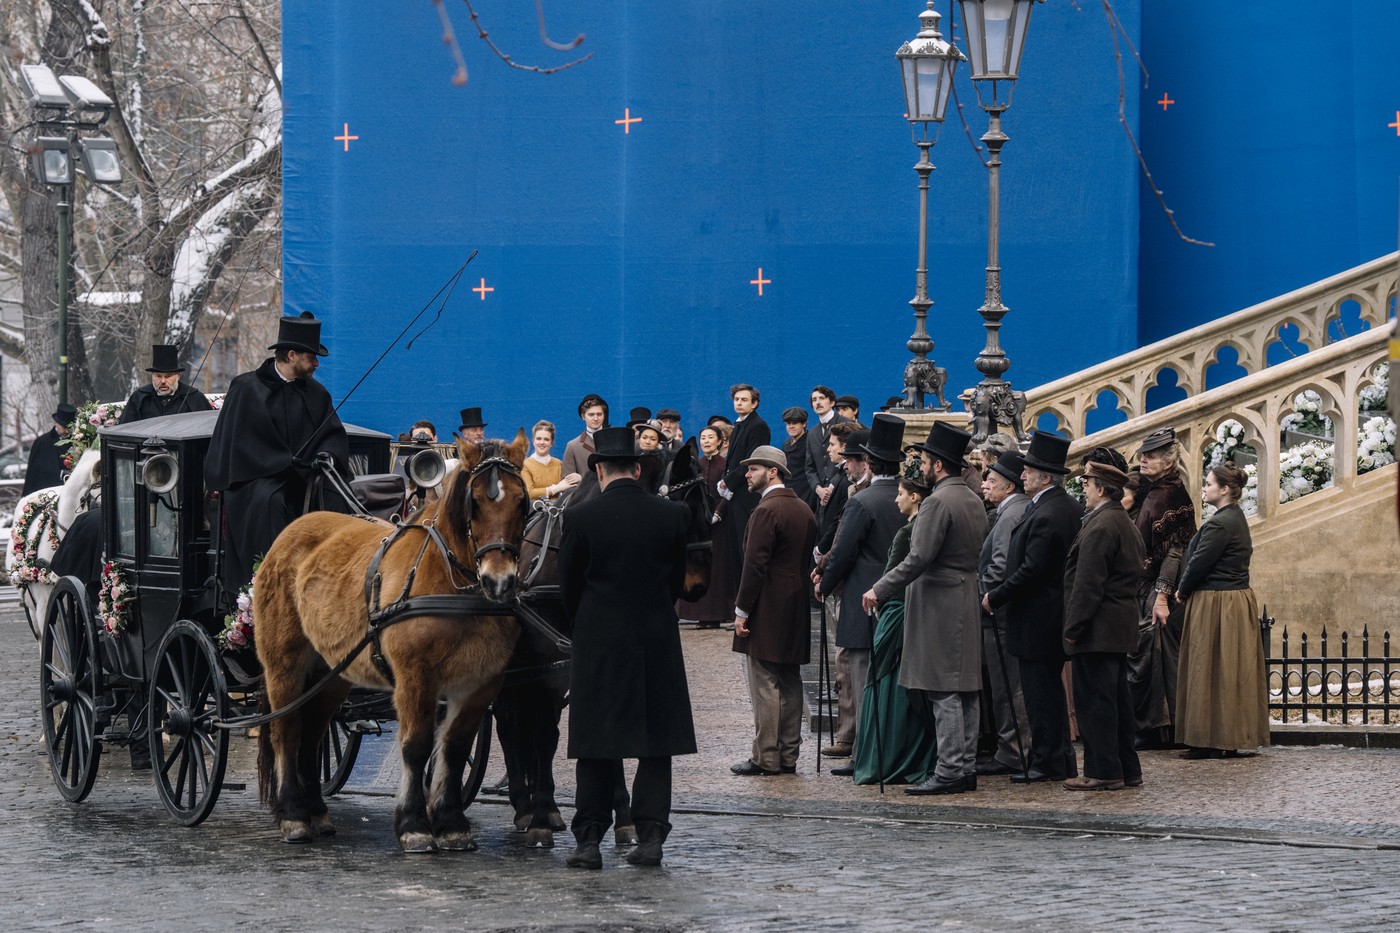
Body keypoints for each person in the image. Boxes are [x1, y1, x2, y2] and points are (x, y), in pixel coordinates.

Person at [560, 427, 696, 868]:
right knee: (656, 746)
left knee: (597, 745)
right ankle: (652, 838)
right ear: (638, 469)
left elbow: (568, 589)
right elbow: (677, 582)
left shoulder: (580, 519)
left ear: (598, 471)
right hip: (656, 639)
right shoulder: (672, 514)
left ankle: (589, 843)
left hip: (599, 642)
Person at [863, 422, 987, 796]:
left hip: (938, 601)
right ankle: (964, 766)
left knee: (942, 688)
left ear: (937, 465)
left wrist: (879, 588)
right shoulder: (972, 498)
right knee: (965, 687)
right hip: (964, 595)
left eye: (927, 460)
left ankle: (949, 769)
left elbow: (919, 557)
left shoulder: (937, 501)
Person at [205, 313, 349, 592]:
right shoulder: (246, 388)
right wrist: (282, 462)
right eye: (312, 357)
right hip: (256, 479)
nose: (317, 364)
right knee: (270, 500)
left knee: (339, 496)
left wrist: (326, 455)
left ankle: (337, 578)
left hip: (306, 477)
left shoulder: (318, 394)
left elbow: (332, 434)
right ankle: (272, 582)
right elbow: (239, 447)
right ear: (292, 355)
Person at [983, 431, 1083, 783]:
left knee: (1041, 695)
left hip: (1039, 617)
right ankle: (1056, 758)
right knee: (1047, 693)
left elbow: (1033, 569)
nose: (1021, 475)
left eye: (1028, 471)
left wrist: (996, 595)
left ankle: (1048, 761)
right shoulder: (1061, 505)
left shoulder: (1049, 511)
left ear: (1045, 477)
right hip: (1044, 615)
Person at [816, 414, 905, 774]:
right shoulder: (909, 496)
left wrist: (823, 584)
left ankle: (865, 756)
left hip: (863, 601)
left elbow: (843, 552)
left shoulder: (863, 502)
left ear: (868, 462)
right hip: (898, 597)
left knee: (862, 679)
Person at [1062, 450, 1146, 791]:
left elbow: (1088, 585)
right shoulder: (1121, 521)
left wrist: (1072, 629)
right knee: (1117, 703)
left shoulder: (1101, 525)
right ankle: (1127, 769)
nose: (1084, 488)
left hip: (1097, 630)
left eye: (1088, 483)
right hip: (1117, 627)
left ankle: (1103, 772)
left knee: (1097, 703)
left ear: (1101, 488)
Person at [731, 445, 817, 777]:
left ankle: (766, 757)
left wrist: (741, 610)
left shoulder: (766, 511)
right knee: (791, 680)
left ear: (772, 471)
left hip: (768, 604)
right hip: (796, 603)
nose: (747, 474)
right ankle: (788, 755)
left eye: (753, 469)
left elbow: (754, 566)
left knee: (765, 681)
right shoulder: (803, 509)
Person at [852, 462, 939, 785]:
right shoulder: (920, 527)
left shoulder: (908, 532)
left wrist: (879, 596)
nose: (896, 499)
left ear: (915, 497)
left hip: (898, 611)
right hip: (909, 610)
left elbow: (896, 572)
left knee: (887, 683)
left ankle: (887, 757)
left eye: (901, 494)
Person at [1174, 462, 1268, 759]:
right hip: (1231, 600)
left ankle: (1209, 739)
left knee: (1209, 669)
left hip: (1217, 602)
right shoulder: (1234, 517)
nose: (1204, 488)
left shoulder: (1220, 523)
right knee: (1229, 671)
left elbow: (1198, 563)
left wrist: (1181, 590)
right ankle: (1225, 736)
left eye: (1209, 484)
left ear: (1225, 489)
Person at [1130, 427, 1197, 749]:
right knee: (1151, 658)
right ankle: (1156, 728)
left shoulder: (1170, 495)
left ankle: (1156, 729)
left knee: (1152, 660)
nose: (1143, 460)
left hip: (1156, 591)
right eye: (1143, 454)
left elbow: (1175, 551)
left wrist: (1161, 596)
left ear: (1168, 462)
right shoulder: (1157, 490)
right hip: (1147, 586)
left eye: (1151, 456)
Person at [976, 450, 1033, 777]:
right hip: (1006, 612)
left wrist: (984, 596)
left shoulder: (1010, 514)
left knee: (1007, 687)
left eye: (992, 481)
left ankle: (1013, 751)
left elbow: (999, 566)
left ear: (1009, 487)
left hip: (999, 614)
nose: (985, 486)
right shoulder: (1012, 510)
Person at [677, 425, 735, 630]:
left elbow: (730, 493)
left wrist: (718, 512)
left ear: (720, 441)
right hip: (699, 524)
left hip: (721, 523)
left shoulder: (726, 464)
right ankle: (699, 614)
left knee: (719, 568)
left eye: (711, 437)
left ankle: (718, 613)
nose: (706, 441)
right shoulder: (697, 465)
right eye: (703, 438)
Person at [718, 384, 771, 576]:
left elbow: (752, 460)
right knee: (736, 550)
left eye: (744, 400)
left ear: (754, 404)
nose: (739, 403)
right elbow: (733, 460)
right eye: (736, 400)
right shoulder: (739, 425)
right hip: (736, 494)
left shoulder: (758, 426)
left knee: (746, 547)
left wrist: (727, 481)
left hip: (748, 495)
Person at [117, 344, 213, 424]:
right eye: (158, 376)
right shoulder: (139, 397)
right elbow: (124, 432)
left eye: (168, 376)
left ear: (178, 376)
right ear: (152, 376)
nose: (163, 381)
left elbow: (208, 430)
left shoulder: (194, 398)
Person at [805, 386, 850, 513]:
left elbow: (851, 458)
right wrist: (818, 488)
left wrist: (832, 485)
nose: (817, 402)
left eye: (822, 398)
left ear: (832, 402)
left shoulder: (846, 424)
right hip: (821, 498)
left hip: (843, 491)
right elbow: (809, 468)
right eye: (814, 400)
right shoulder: (812, 433)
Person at [562, 393, 609, 507]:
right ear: (583, 416)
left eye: (599, 414)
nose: (596, 418)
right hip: (585, 504)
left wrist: (581, 478)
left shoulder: (613, 440)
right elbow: (568, 484)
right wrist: (582, 480)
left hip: (611, 500)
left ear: (604, 415)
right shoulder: (573, 446)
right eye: (591, 414)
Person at [23, 403, 76, 495]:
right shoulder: (43, 442)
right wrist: (60, 474)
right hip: (47, 491)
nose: (67, 431)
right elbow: (36, 472)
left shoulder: (77, 441)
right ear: (56, 423)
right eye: (64, 427)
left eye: (69, 428)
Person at [523, 419, 579, 501]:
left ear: (551, 443)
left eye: (546, 439)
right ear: (533, 441)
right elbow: (529, 493)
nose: (542, 442)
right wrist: (556, 488)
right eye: (538, 439)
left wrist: (579, 478)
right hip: (534, 511)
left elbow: (569, 488)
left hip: (557, 510)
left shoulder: (559, 464)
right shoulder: (525, 465)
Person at [780, 406, 814, 507]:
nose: (791, 426)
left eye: (795, 423)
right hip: (788, 492)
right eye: (788, 423)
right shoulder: (786, 445)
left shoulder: (811, 442)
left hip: (806, 494)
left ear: (804, 424)